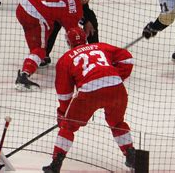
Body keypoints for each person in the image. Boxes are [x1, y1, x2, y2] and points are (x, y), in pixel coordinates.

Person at [42, 27, 136, 172]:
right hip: (116, 88)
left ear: (68, 42)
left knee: (68, 127)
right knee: (117, 122)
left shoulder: (65, 59)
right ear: (85, 38)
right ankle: (130, 154)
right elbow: (127, 58)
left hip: (89, 92)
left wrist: (63, 114)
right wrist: (116, 75)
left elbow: (64, 93)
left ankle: (56, 163)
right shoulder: (101, 46)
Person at [15, 0, 96, 90]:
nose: (87, 1)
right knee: (40, 50)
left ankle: (30, 67)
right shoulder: (76, 12)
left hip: (23, 6)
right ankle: (23, 77)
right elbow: (75, 37)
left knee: (49, 28)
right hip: (35, 15)